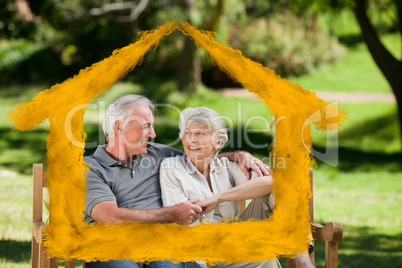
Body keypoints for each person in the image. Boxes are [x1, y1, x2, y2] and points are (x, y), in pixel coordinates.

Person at [83, 95, 271, 268]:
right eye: (146, 125)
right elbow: (111, 218)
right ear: (119, 127)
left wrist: (239, 155)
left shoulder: (156, 153)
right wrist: (171, 214)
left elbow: (200, 155)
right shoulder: (91, 167)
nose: (153, 133)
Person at [159, 107, 315, 268]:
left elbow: (274, 182)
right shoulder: (171, 168)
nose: (191, 139)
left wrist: (219, 197)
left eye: (200, 133)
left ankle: (302, 260)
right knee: (264, 259)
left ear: (218, 141)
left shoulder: (226, 166)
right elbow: (180, 219)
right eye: (187, 133)